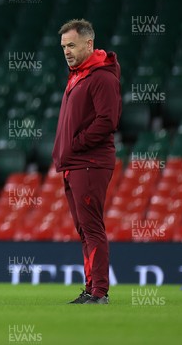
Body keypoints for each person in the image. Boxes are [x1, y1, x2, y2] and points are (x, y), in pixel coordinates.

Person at [52, 19, 121, 305]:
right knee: (84, 229)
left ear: (88, 44)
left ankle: (100, 292)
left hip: (89, 162)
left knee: (92, 228)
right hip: (75, 162)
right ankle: (91, 288)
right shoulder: (79, 74)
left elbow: (108, 120)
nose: (66, 51)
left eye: (72, 45)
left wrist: (77, 144)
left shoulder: (101, 77)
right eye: (63, 46)